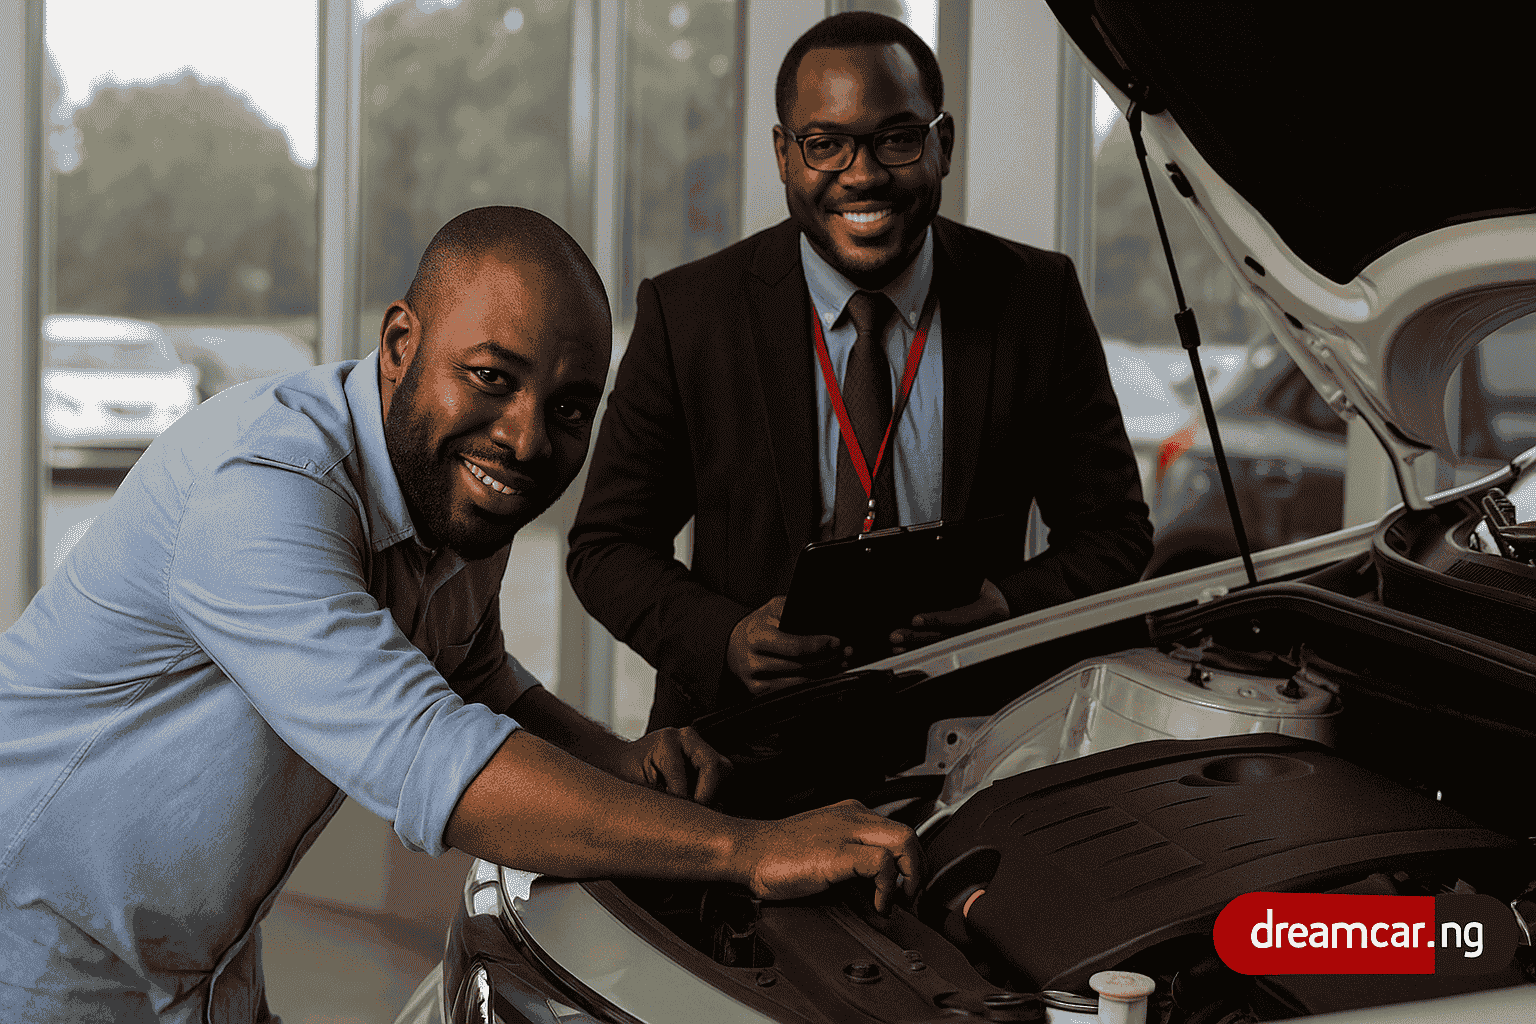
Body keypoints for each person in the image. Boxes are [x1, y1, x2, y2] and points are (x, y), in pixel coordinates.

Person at [0, 207, 921, 1024]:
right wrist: (750, 852)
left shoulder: (453, 488)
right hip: (33, 950)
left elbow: (475, 677)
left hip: (201, 960)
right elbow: (434, 758)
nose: (524, 440)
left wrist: (619, 759)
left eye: (567, 409)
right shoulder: (261, 491)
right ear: (401, 342)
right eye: (489, 377)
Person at [567, 13, 1155, 731]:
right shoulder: (689, 313)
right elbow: (606, 547)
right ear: (785, 155)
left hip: (968, 738)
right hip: (743, 749)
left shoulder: (1037, 299)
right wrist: (723, 636)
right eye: (826, 146)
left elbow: (1114, 532)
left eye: (898, 139)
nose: (865, 175)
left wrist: (1007, 605)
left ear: (943, 144)